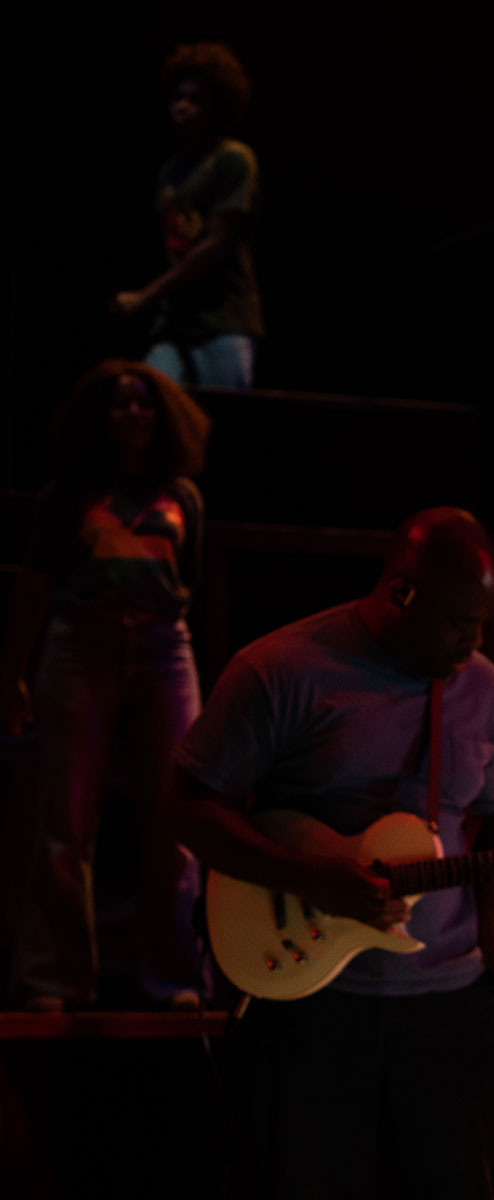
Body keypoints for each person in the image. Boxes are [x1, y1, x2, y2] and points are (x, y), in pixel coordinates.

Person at [169, 507, 494, 1199]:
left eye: (482, 623)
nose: (474, 641)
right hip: (310, 1007)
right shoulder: (280, 671)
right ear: (403, 593)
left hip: (448, 1006)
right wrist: (309, 877)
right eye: (459, 622)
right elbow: (186, 805)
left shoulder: (481, 687)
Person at [4, 360, 212, 1011]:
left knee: (174, 817)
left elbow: (191, 581)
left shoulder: (182, 495)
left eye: (145, 404)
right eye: (121, 405)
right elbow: (36, 584)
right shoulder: (68, 494)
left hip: (161, 648)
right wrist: (12, 670)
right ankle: (53, 979)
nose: (133, 415)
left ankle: (174, 977)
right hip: (80, 646)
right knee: (66, 820)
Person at [113, 42, 263, 389]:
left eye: (196, 100)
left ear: (219, 109)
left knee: (221, 421)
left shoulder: (233, 160)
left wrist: (145, 296)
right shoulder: (171, 173)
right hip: (174, 325)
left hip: (224, 322)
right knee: (151, 399)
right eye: (179, 97)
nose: (181, 107)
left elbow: (215, 244)